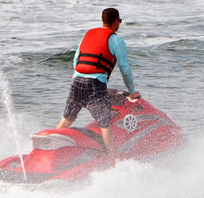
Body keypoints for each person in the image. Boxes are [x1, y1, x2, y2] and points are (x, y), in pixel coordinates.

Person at [56, 8, 141, 158]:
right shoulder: (116, 40)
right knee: (104, 123)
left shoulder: (88, 35)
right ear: (116, 22)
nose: (119, 25)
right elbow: (125, 69)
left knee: (67, 119)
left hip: (77, 81)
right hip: (95, 84)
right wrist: (132, 91)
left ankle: (52, 149)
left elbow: (76, 60)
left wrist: (79, 75)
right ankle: (111, 158)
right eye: (119, 22)